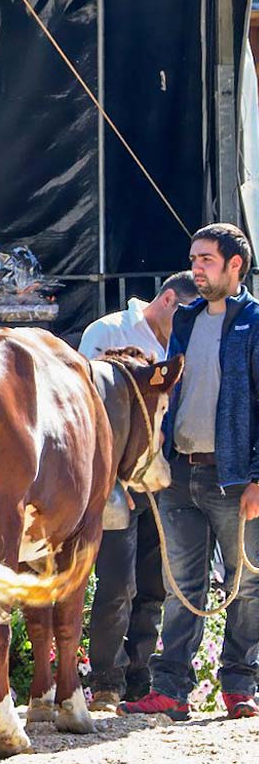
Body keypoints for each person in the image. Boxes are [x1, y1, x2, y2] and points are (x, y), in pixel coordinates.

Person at [123, 223, 259, 720]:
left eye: (205, 259)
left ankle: (239, 688)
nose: (196, 268)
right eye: (195, 259)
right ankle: (171, 690)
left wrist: (257, 480)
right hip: (180, 473)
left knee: (245, 586)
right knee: (182, 585)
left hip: (235, 478)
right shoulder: (185, 319)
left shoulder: (256, 321)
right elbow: (172, 389)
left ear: (234, 264)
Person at [78, 271, 199, 709]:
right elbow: (88, 412)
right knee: (115, 583)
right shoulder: (107, 332)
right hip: (120, 478)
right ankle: (106, 679)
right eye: (185, 315)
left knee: (154, 585)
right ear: (168, 300)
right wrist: (109, 480)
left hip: (167, 478)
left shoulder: (187, 337)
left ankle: (139, 678)